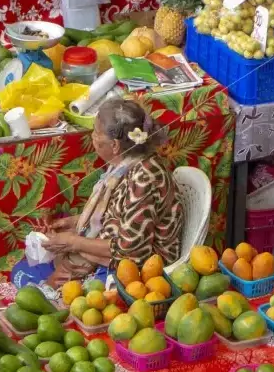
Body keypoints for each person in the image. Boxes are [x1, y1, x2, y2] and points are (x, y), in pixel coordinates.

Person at [45, 97, 186, 281]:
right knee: (31, 271)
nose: (93, 137)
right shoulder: (123, 165)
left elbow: (129, 249)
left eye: (96, 132)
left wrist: (74, 242)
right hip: (120, 249)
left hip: (142, 268)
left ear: (114, 145)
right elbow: (120, 215)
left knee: (44, 284)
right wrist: (76, 222)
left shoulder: (145, 178)